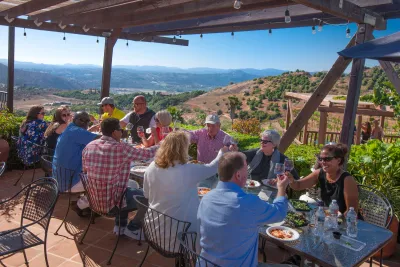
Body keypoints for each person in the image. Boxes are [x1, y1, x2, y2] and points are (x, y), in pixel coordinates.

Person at [197, 152, 289, 267]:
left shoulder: (205, 198)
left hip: (205, 264)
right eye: (246, 168)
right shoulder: (249, 203)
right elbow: (280, 213)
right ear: (238, 175)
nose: (248, 172)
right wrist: (281, 188)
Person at [144, 131, 228, 251]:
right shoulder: (187, 170)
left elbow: (146, 194)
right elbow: (213, 168)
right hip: (179, 238)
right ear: (182, 149)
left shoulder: (152, 166)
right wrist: (222, 152)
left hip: (153, 229)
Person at [82, 118, 159, 238]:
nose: (122, 131)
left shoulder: (89, 146)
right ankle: (133, 228)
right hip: (112, 204)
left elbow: (85, 170)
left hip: (93, 201)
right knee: (151, 198)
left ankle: (120, 227)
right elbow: (147, 154)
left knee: (126, 187)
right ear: (114, 133)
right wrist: (160, 145)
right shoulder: (121, 148)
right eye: (120, 129)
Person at [286, 143, 358, 215]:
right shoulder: (320, 173)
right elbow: (298, 186)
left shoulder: (347, 180)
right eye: (320, 159)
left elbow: (352, 211)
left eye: (327, 159)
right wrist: (291, 180)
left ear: (338, 160)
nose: (323, 162)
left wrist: (336, 220)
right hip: (328, 217)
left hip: (346, 222)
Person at [52, 111, 99, 192]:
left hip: (58, 179)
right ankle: (83, 203)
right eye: (87, 121)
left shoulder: (70, 128)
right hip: (69, 183)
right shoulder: (76, 131)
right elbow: (101, 139)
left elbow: (83, 136)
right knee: (103, 182)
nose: (86, 123)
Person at [189, 114, 228, 188]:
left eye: (213, 126)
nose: (210, 128)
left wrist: (232, 148)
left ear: (219, 126)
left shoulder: (225, 137)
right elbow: (188, 135)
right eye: (208, 125)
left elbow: (233, 148)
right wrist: (178, 132)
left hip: (216, 174)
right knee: (200, 192)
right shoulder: (201, 133)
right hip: (201, 172)